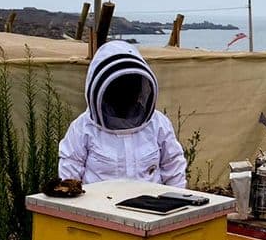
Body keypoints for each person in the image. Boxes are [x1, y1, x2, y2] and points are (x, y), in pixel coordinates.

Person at [58, 40, 186, 186]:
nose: (126, 92)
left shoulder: (158, 124)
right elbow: (70, 174)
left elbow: (173, 166)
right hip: (100, 200)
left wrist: (177, 197)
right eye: (119, 86)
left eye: (131, 85)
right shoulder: (82, 128)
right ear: (104, 88)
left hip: (151, 200)